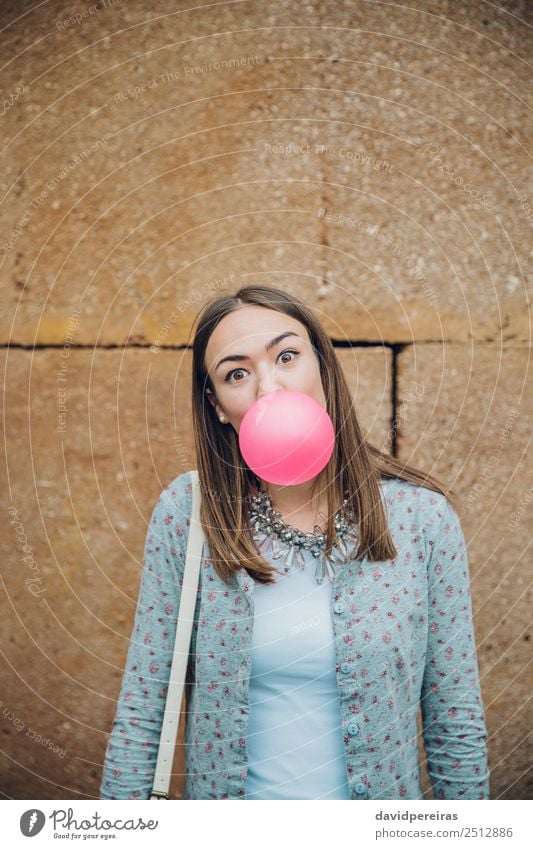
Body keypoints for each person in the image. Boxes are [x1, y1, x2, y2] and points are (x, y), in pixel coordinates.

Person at [99, 285, 490, 800]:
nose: (269, 388)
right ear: (217, 405)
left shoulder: (422, 520)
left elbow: (454, 719)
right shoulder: (188, 513)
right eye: (236, 373)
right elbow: (142, 708)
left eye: (287, 356)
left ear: (323, 369)